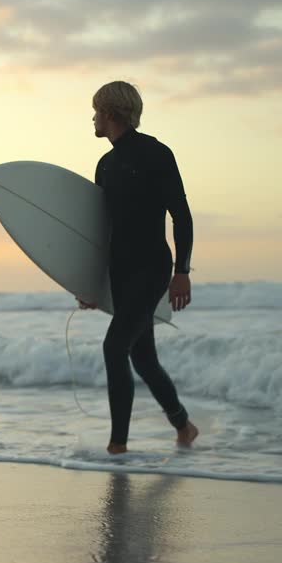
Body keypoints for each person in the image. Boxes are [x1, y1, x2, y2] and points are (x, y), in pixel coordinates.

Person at [78, 81, 199, 455]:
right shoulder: (105, 165)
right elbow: (102, 233)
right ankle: (183, 425)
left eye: (97, 111)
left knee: (115, 347)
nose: (93, 118)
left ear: (111, 113)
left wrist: (182, 272)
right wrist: (91, 284)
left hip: (151, 268)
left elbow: (181, 216)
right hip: (121, 270)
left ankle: (118, 446)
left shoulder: (155, 153)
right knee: (142, 357)